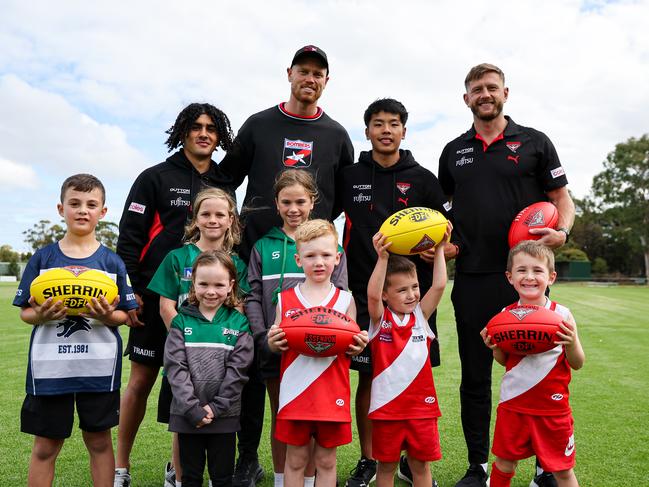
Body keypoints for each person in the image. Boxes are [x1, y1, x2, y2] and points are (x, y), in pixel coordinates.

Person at [437, 63, 576, 487]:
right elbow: (445, 212)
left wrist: (563, 231)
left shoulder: (535, 142)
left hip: (528, 277)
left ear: (505, 93)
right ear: (466, 99)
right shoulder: (452, 151)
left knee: (539, 372)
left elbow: (561, 198)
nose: (484, 94)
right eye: (476, 89)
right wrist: (449, 242)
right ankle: (478, 464)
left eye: (491, 87)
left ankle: (544, 467)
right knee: (475, 374)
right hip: (475, 275)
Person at [115, 103, 235, 487]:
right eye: (196, 127)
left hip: (207, 310)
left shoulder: (224, 182)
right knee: (141, 381)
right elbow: (129, 240)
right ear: (182, 131)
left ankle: (177, 468)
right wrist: (130, 294)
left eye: (211, 129)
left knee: (197, 384)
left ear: (219, 137)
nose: (204, 134)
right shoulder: (155, 177)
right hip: (156, 300)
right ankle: (121, 465)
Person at [339, 98, 450, 487]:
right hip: (364, 293)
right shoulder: (349, 175)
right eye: (378, 124)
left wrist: (437, 250)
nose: (386, 130)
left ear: (405, 130)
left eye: (394, 124)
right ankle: (371, 459)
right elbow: (324, 219)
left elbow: (447, 238)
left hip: (410, 295)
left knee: (411, 372)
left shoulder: (422, 178)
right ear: (366, 130)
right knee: (368, 377)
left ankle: (410, 459)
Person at [13, 174, 137, 487]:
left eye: (91, 204)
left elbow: (125, 315)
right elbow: (25, 313)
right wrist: (40, 314)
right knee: (45, 445)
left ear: (103, 212)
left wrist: (110, 315)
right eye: (75, 203)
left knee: (98, 441)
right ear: (61, 208)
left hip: (98, 367)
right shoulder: (43, 259)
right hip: (49, 369)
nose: (83, 210)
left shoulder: (111, 263)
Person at [246, 170, 348, 487]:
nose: (293, 209)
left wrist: (334, 338)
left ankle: (310, 478)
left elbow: (342, 297)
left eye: (300, 201)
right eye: (286, 202)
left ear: (312, 202)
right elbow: (251, 296)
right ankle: (283, 478)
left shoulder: (330, 245)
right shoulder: (263, 246)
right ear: (276, 204)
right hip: (277, 347)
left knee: (319, 417)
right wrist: (265, 337)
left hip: (321, 352)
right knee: (284, 417)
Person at [147, 187, 250, 486]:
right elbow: (166, 305)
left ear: (230, 219)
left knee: (220, 449)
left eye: (220, 214)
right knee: (183, 420)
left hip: (221, 358)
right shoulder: (178, 257)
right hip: (184, 354)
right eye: (206, 213)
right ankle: (179, 477)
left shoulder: (236, 263)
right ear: (195, 218)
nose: (213, 219)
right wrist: (186, 345)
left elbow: (240, 310)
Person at [219, 45, 354, 262]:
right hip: (254, 252)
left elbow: (341, 196)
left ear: (326, 81)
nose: (310, 79)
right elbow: (225, 179)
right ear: (290, 74)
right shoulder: (258, 125)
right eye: (303, 72)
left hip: (313, 258)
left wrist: (316, 218)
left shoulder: (336, 136)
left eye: (318, 74)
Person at [267, 219, 369, 487]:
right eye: (310, 256)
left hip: (331, 392)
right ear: (298, 260)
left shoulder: (346, 300)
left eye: (325, 255)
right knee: (296, 460)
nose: (319, 262)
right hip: (295, 394)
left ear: (337, 258)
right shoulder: (284, 299)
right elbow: (276, 344)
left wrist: (358, 344)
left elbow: (351, 344)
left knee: (326, 462)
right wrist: (273, 342)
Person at [481, 241, 585, 487]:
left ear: (551, 277)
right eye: (521, 270)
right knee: (504, 463)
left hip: (552, 408)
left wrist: (570, 343)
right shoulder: (505, 316)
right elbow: (504, 361)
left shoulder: (562, 315)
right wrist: (495, 348)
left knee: (562, 470)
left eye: (537, 271)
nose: (529, 277)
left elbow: (578, 363)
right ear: (510, 277)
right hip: (513, 404)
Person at [366, 222, 451, 487]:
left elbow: (438, 285)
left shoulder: (420, 317)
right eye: (402, 290)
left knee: (420, 465)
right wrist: (382, 258)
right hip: (386, 411)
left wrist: (439, 249)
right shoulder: (380, 320)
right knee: (387, 467)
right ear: (386, 295)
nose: (412, 294)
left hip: (421, 410)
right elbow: (371, 294)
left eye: (414, 287)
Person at [164, 250, 253, 487]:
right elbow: (175, 368)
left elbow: (238, 371)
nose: (211, 291)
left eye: (219, 284)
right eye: (203, 283)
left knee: (222, 477)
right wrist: (192, 408)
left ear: (231, 285)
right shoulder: (181, 321)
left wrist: (216, 407)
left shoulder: (239, 323)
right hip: (188, 416)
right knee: (190, 477)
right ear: (193, 283)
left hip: (224, 416)